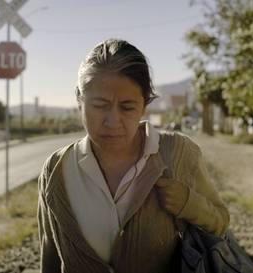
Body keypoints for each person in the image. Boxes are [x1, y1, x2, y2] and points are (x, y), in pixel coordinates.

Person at [37, 38, 229, 273]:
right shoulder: (56, 170)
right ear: (79, 100)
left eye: (127, 107)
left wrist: (189, 204)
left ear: (144, 105)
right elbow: (50, 253)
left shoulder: (178, 153)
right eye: (99, 105)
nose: (112, 121)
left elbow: (220, 222)